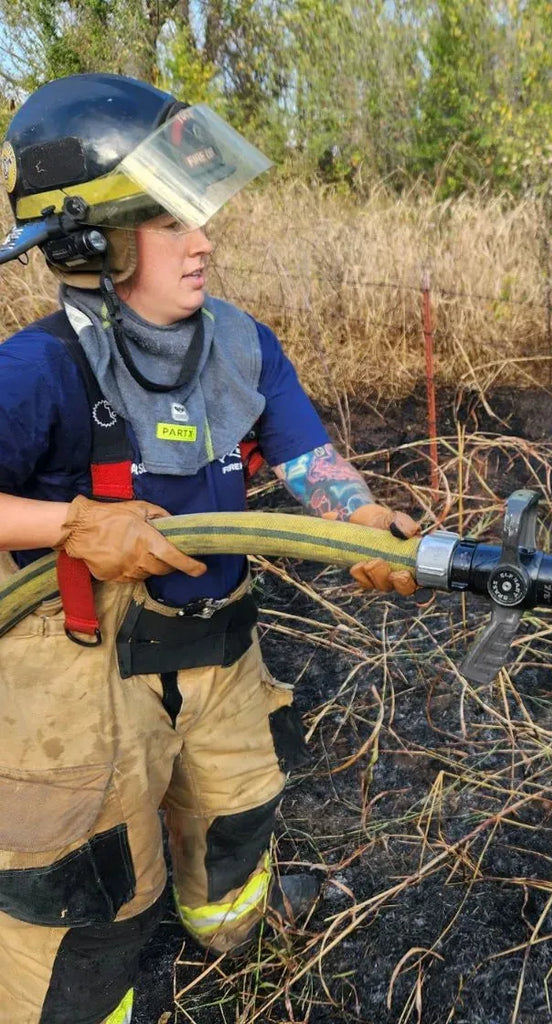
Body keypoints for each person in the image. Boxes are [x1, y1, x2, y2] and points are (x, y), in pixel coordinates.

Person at [0, 72, 419, 1023]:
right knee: (85, 897)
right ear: (91, 238)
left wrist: (352, 517)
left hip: (223, 648)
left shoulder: (241, 344)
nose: (206, 243)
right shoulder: (36, 371)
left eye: (201, 218)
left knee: (237, 813)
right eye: (173, 223)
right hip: (83, 679)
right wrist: (68, 525)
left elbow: (306, 452)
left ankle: (225, 930)